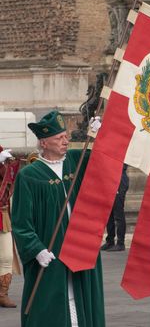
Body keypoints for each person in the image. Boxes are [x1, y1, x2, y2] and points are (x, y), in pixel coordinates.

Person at [11, 111, 105, 327]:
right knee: (50, 305)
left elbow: (103, 163)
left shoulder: (75, 160)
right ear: (44, 142)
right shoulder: (30, 176)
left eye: (66, 136)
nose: (66, 141)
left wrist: (99, 136)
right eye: (59, 138)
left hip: (80, 248)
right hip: (50, 253)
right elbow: (21, 222)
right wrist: (36, 249)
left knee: (83, 300)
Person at [0, 147, 20, 308]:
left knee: (7, 256)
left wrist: (8, 164)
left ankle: (2, 294)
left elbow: (9, 182)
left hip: (3, 214)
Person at [100, 164, 129, 252]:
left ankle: (120, 243)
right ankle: (110, 241)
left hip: (118, 178)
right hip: (110, 178)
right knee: (109, 213)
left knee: (118, 213)